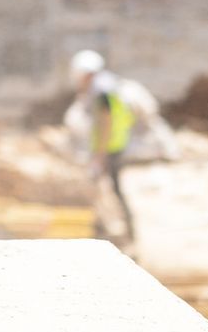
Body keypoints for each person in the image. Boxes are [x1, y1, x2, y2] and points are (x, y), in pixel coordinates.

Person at [63, 49, 168, 242]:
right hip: (114, 145)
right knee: (110, 189)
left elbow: (105, 122)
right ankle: (114, 232)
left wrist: (99, 156)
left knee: (112, 190)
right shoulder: (109, 84)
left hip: (112, 147)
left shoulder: (101, 90)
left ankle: (123, 235)